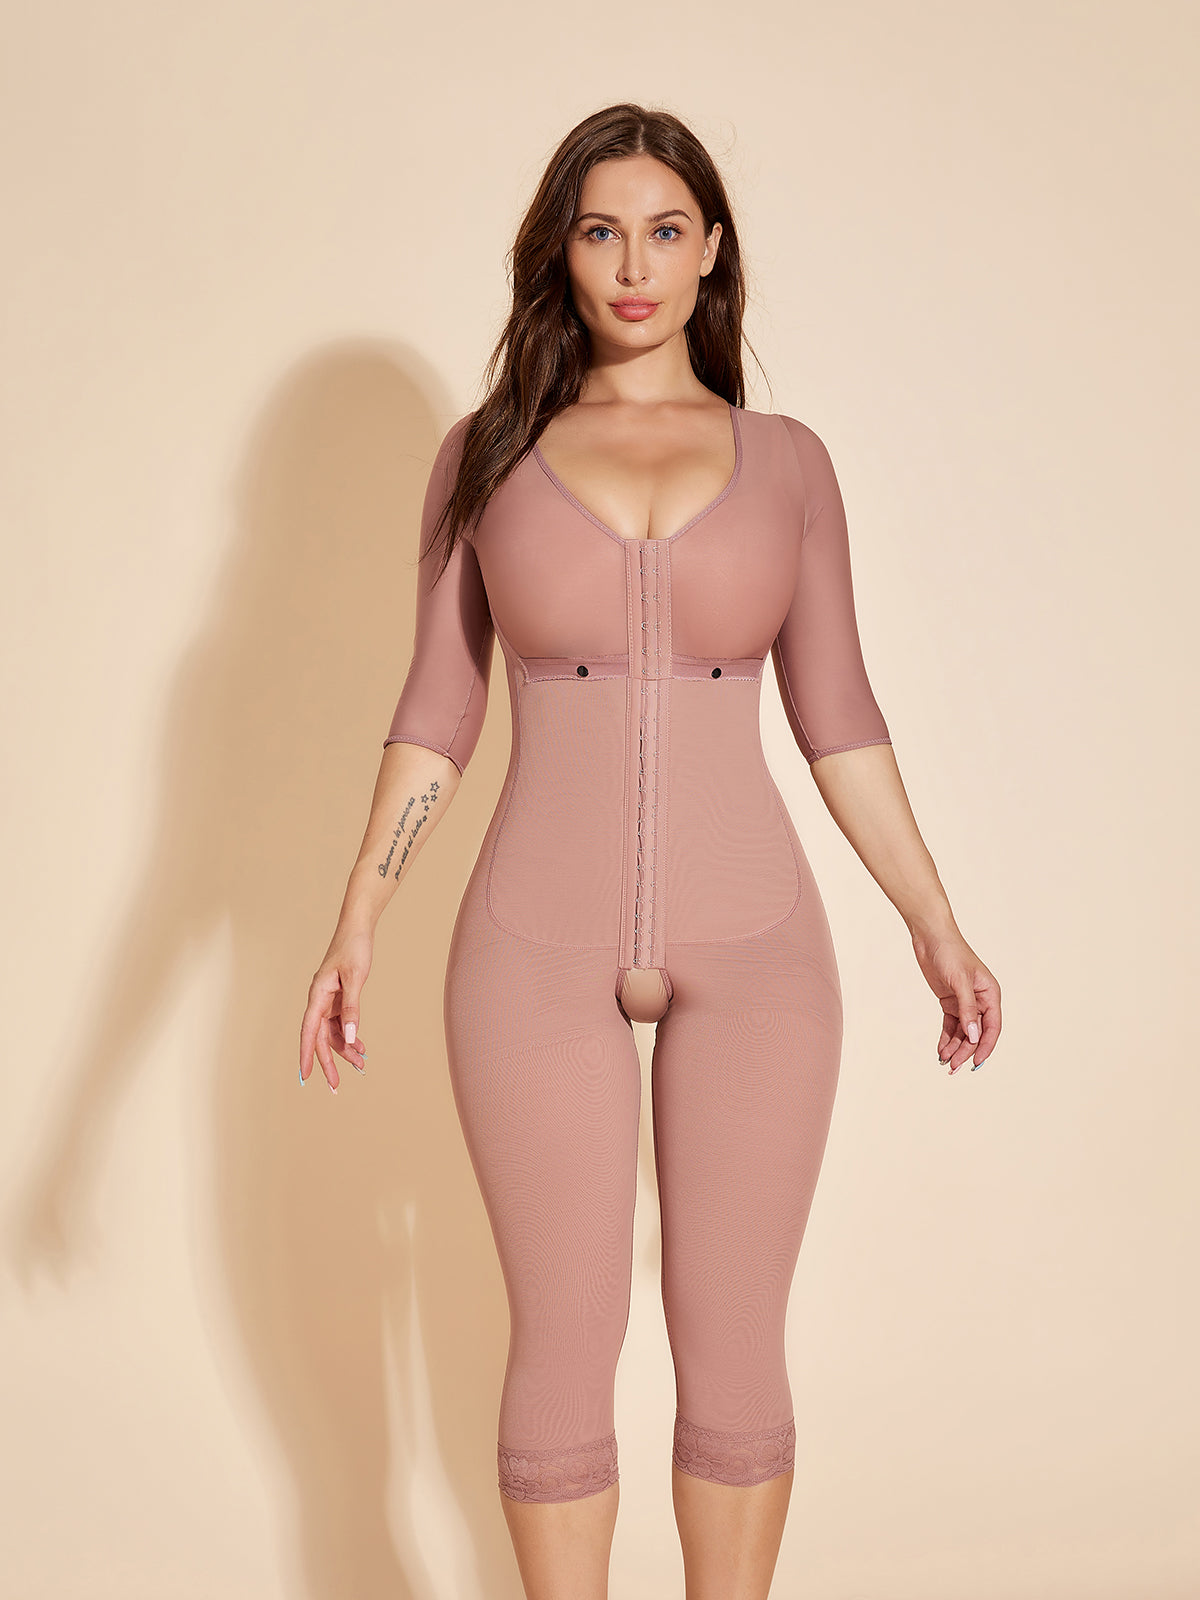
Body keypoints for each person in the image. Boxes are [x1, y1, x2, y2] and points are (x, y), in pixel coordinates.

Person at [300, 102, 1001, 1600]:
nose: (633, 266)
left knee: (734, 1342)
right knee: (562, 1340)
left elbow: (839, 715)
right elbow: (437, 712)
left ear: (711, 251)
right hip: (529, 949)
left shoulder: (788, 463)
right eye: (601, 231)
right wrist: (356, 921)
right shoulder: (486, 456)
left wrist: (935, 927)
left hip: (758, 949)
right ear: (561, 251)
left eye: (665, 231)